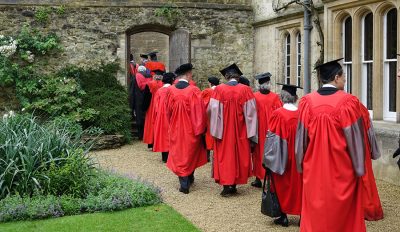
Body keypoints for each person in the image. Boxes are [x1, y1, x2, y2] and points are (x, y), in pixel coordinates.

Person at [295, 58, 380, 232]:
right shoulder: (349, 102)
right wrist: (359, 170)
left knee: (316, 215)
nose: (345, 80)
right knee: (344, 217)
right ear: (336, 77)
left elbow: (300, 141)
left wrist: (300, 166)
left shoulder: (306, 103)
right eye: (343, 76)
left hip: (314, 171)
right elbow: (356, 142)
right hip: (343, 171)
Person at [208, 63, 258, 197]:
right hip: (241, 130)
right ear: (238, 76)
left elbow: (212, 111)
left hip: (223, 132)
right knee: (238, 156)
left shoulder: (218, 90)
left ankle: (226, 186)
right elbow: (251, 114)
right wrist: (251, 134)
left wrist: (215, 130)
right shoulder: (246, 90)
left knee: (225, 156)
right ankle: (234, 184)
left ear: (226, 76)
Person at [264, 83, 303, 227]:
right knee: (300, 185)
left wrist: (267, 159)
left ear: (281, 98)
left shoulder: (278, 114)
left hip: (283, 157)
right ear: (296, 97)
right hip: (301, 157)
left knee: (281, 184)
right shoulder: (302, 114)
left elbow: (272, 138)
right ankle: (302, 216)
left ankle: (283, 216)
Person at [165, 63, 208, 194]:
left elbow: (168, 111)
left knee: (178, 153)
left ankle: (185, 180)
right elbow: (199, 113)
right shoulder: (194, 90)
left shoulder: (171, 90)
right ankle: (188, 178)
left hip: (176, 128)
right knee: (191, 152)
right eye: (191, 74)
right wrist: (201, 129)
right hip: (190, 128)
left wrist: (171, 125)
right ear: (188, 74)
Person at [251, 73, 282, 188]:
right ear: (269, 84)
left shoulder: (254, 97)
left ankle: (258, 178)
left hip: (259, 129)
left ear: (259, 85)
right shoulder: (275, 97)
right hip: (271, 129)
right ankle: (269, 178)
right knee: (270, 152)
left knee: (258, 153)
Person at [153, 72, 176, 163]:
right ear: (172, 80)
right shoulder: (173, 89)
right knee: (172, 134)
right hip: (171, 116)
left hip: (161, 116)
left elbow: (156, 106)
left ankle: (164, 157)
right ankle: (173, 157)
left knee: (163, 135)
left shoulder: (159, 91)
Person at [142, 69, 164, 149]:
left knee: (151, 123)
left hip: (151, 106)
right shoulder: (163, 84)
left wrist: (144, 108)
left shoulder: (149, 84)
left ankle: (151, 142)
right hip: (161, 105)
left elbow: (146, 98)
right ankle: (158, 142)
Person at [201, 76, 220, 162]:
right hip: (218, 115)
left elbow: (201, 102)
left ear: (210, 83)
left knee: (207, 134)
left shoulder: (207, 91)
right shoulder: (220, 90)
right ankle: (216, 155)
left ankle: (207, 156)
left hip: (208, 116)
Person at [132, 65, 152, 139]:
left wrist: (132, 104)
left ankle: (140, 135)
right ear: (144, 71)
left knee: (139, 118)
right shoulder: (149, 78)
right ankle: (147, 135)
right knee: (146, 117)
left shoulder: (134, 78)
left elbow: (132, 91)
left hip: (138, 101)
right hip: (147, 100)